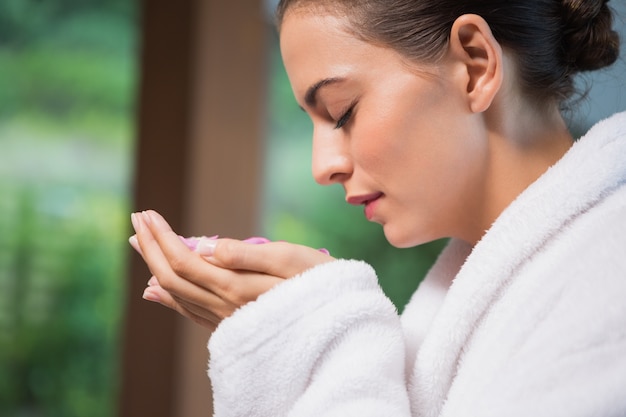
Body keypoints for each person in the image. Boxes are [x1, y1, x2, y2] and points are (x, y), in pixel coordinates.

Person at [129, 0, 626, 415]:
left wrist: (318, 343)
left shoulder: (609, 276)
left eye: (342, 113)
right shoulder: (496, 287)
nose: (321, 167)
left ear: (475, 65)